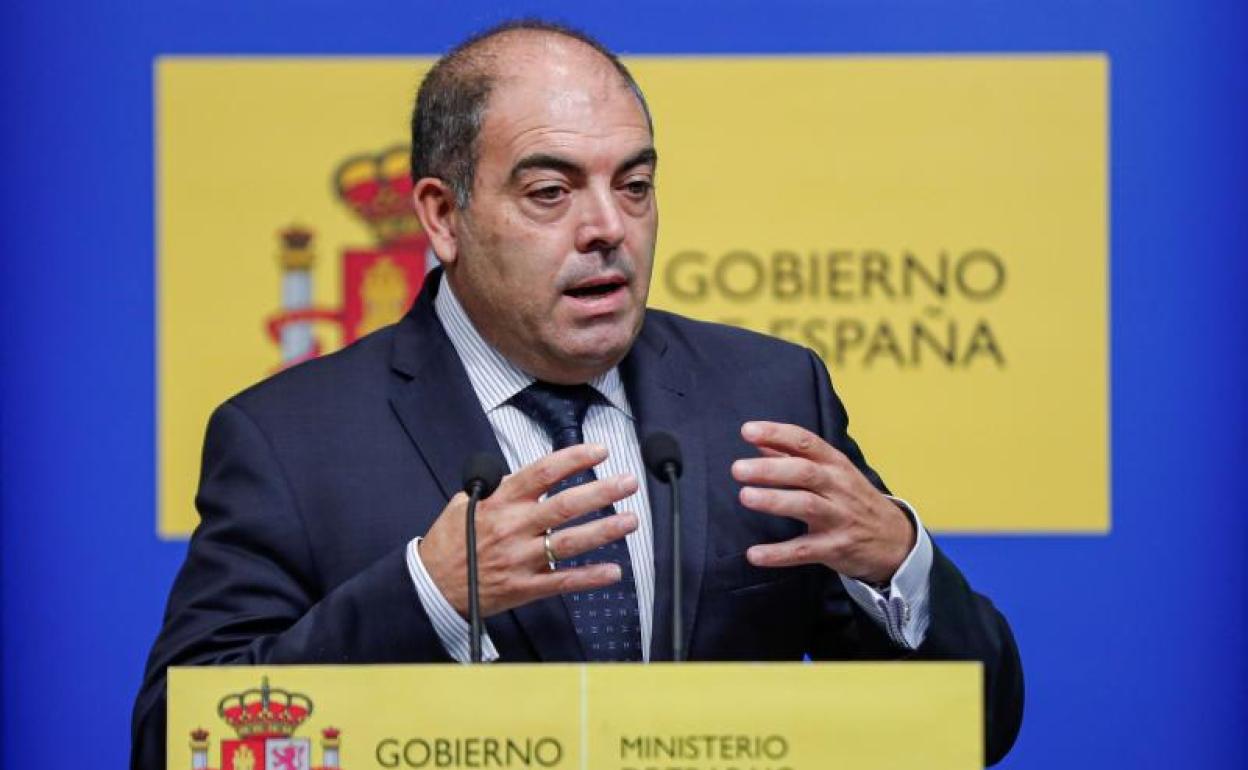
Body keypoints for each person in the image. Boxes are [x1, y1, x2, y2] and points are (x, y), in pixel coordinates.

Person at [132, 19, 1023, 768]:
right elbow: (176, 740)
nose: (607, 228)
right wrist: (428, 596)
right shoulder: (293, 440)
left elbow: (976, 725)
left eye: (635, 187)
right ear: (443, 215)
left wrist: (895, 560)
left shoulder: (766, 396)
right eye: (551, 192)